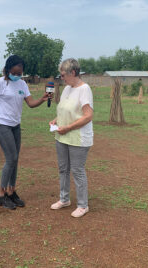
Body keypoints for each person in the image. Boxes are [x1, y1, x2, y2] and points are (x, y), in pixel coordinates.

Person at [0, 55, 49, 210]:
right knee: (11, 158)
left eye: (20, 73)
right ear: (8, 69)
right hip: (1, 126)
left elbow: (30, 103)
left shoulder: (22, 84)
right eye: (15, 72)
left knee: (15, 160)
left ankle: (12, 191)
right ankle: (1, 195)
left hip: (15, 126)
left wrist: (42, 99)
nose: (17, 76)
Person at [49, 58, 93, 218]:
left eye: (63, 75)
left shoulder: (84, 89)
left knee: (77, 170)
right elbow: (64, 110)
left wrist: (67, 127)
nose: (61, 78)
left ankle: (83, 205)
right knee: (63, 169)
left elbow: (88, 116)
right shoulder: (67, 89)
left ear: (72, 72)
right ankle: (64, 199)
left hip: (78, 138)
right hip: (62, 136)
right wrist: (56, 120)